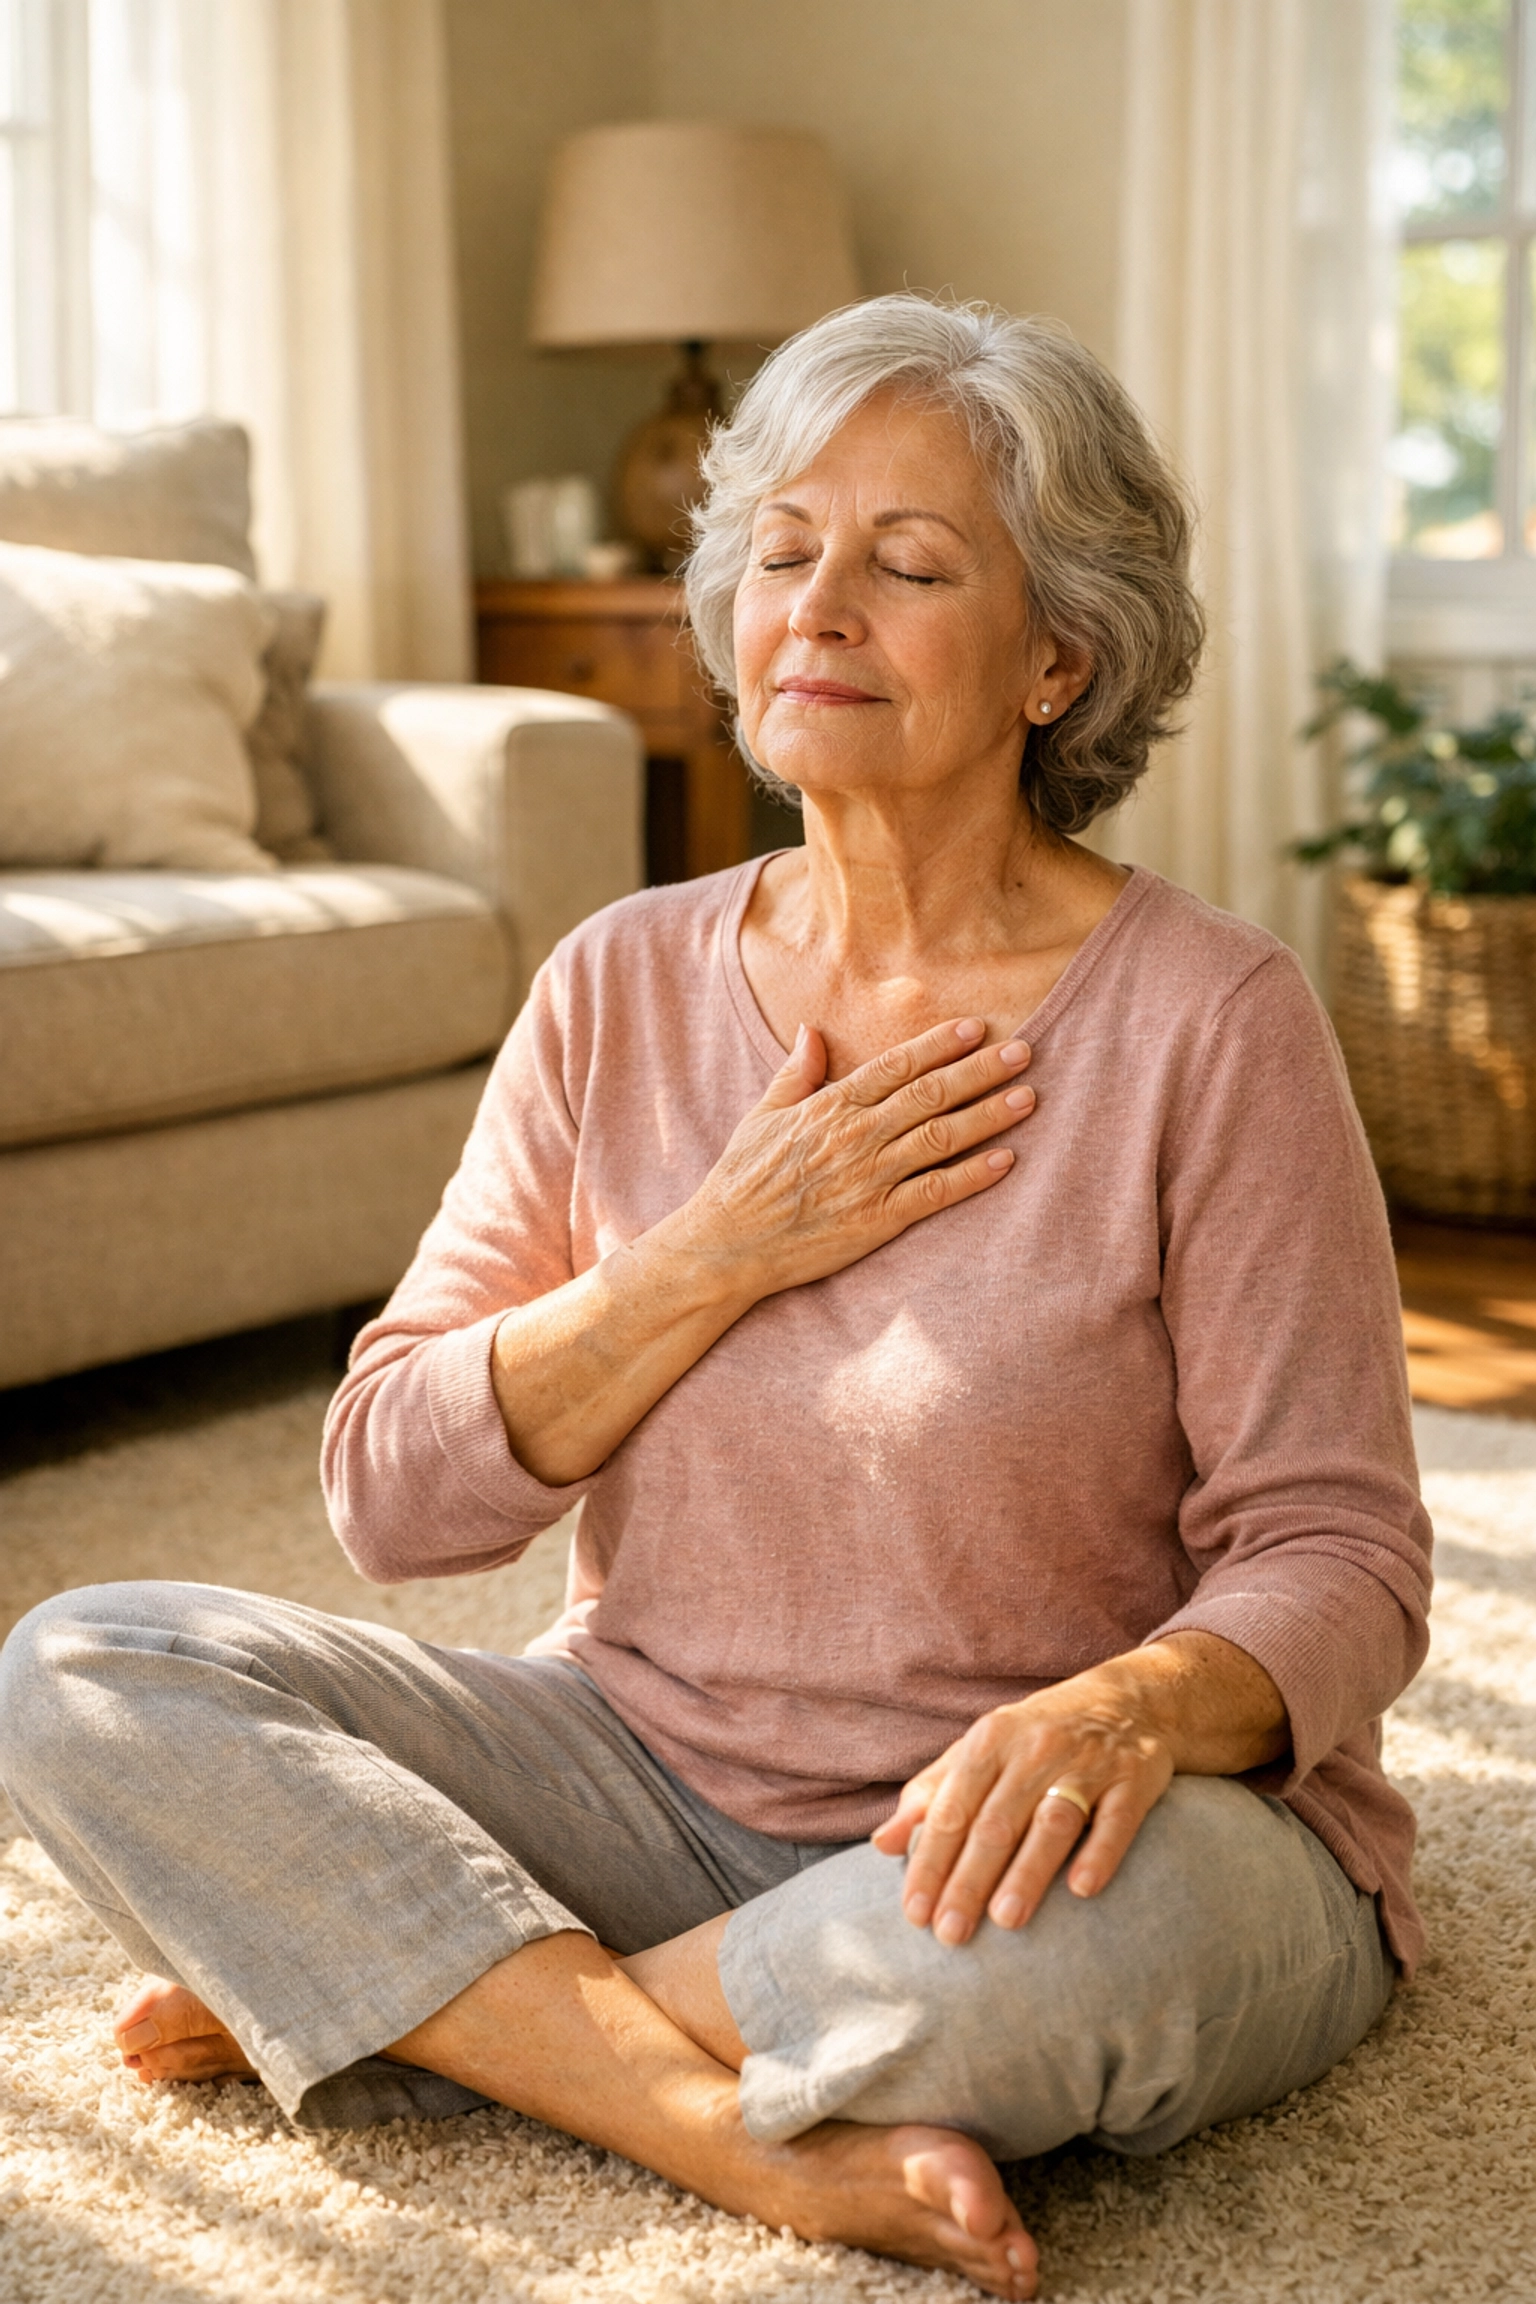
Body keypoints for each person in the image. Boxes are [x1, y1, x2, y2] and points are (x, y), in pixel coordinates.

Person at [0, 295, 1431, 2301]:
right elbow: (395, 1499)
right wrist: (714, 1250)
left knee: (1115, 1940)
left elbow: (1344, 1558)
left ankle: (428, 2007)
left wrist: (1128, 1709)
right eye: (779, 551)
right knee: (84, 1664)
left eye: (909, 564)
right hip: (645, 1777)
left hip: (1065, 1831)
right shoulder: (616, 985)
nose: (817, 603)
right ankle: (692, 2106)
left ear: (1058, 658)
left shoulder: (1209, 1021)